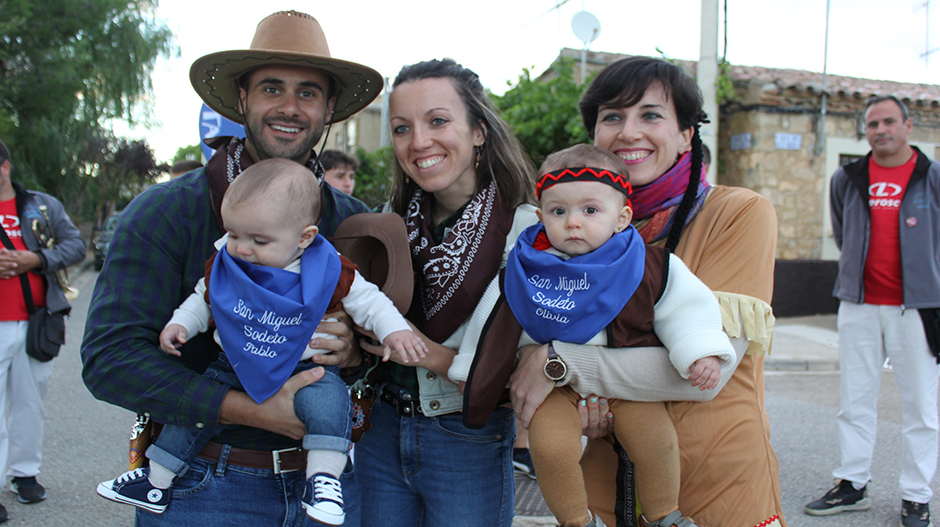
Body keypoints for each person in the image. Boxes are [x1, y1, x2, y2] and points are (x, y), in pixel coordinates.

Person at [81, 11, 382, 526]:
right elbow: (110, 359)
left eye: (308, 92)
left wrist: (355, 353)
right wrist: (250, 409)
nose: (290, 107)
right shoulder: (166, 213)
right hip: (200, 487)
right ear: (242, 99)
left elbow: (384, 358)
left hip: (333, 493)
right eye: (272, 88)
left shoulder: (353, 221)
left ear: (330, 106)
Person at [508, 56, 784, 527]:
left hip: (713, 482)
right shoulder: (573, 227)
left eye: (651, 115)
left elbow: (706, 373)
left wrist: (559, 362)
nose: (629, 132)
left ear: (685, 135)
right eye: (612, 117)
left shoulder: (738, 213)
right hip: (601, 484)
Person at [96, 159, 425, 524]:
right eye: (233, 234)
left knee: (330, 407)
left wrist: (395, 331)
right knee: (191, 418)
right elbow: (203, 295)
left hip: (305, 369)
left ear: (305, 237)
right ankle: (155, 482)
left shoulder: (328, 266)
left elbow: (370, 301)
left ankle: (324, 480)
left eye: (259, 240)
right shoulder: (228, 261)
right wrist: (181, 324)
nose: (241, 249)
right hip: (233, 363)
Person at [452, 144, 735, 527]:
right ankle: (576, 521)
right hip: (553, 388)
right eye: (558, 211)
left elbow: (685, 308)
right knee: (551, 448)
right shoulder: (523, 269)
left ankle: (664, 514)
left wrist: (699, 350)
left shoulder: (649, 264)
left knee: (655, 442)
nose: (572, 222)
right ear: (540, 216)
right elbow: (492, 319)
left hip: (626, 378)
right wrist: (471, 369)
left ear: (622, 218)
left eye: (590, 210)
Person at [351, 58, 537, 527]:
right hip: (379, 428)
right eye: (401, 128)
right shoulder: (384, 223)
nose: (418, 142)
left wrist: (426, 352)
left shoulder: (526, 230)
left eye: (438, 121)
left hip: (466, 436)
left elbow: (530, 364)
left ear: (478, 130)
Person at [803, 96, 940, 527]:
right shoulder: (848, 177)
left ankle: (916, 496)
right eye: (872, 124)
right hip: (859, 305)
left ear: (908, 125)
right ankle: (852, 485)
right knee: (855, 400)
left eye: (888, 122)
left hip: (916, 308)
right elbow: (844, 232)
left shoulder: (932, 176)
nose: (880, 130)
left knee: (921, 407)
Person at [0, 138, 85, 523]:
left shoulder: (42, 205)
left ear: (5, 167)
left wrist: (36, 258)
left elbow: (75, 246)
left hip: (37, 321)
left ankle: (24, 474)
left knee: (30, 403)